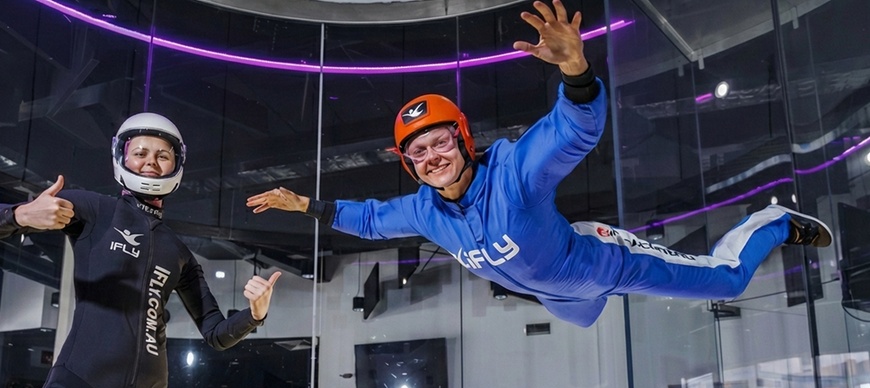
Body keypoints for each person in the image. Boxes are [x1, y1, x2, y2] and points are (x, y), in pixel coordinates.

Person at [246, 0, 831, 329]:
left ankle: (771, 221)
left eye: (440, 141)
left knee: (724, 280)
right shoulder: (426, 213)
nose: (431, 157)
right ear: (409, 164)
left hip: (602, 264)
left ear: (464, 139)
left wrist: (575, 71)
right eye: (417, 152)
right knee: (585, 319)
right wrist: (306, 205)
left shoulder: (514, 176)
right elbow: (369, 218)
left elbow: (573, 134)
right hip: (561, 299)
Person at [0, 112, 281, 388]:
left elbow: (217, 333)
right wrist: (20, 216)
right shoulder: (93, 209)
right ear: (121, 158)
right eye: (141, 152)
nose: (151, 161)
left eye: (162, 155)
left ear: (176, 165)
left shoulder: (180, 252)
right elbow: (19, 216)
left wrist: (256, 314)